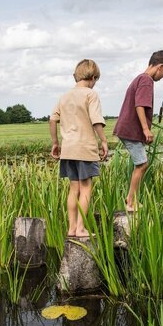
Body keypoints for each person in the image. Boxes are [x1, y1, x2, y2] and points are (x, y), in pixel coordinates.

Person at [49, 59, 108, 238]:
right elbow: (96, 120)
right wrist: (104, 141)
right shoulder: (91, 94)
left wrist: (55, 143)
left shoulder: (65, 96)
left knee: (73, 189)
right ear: (93, 77)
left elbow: (52, 119)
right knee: (86, 187)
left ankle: (72, 228)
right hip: (85, 149)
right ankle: (81, 229)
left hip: (68, 150)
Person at [113, 50, 163, 213]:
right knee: (142, 164)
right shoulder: (146, 80)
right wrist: (146, 129)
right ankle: (131, 201)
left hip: (127, 128)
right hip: (130, 129)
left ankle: (131, 199)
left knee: (141, 163)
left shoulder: (140, 78)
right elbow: (140, 105)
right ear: (160, 67)